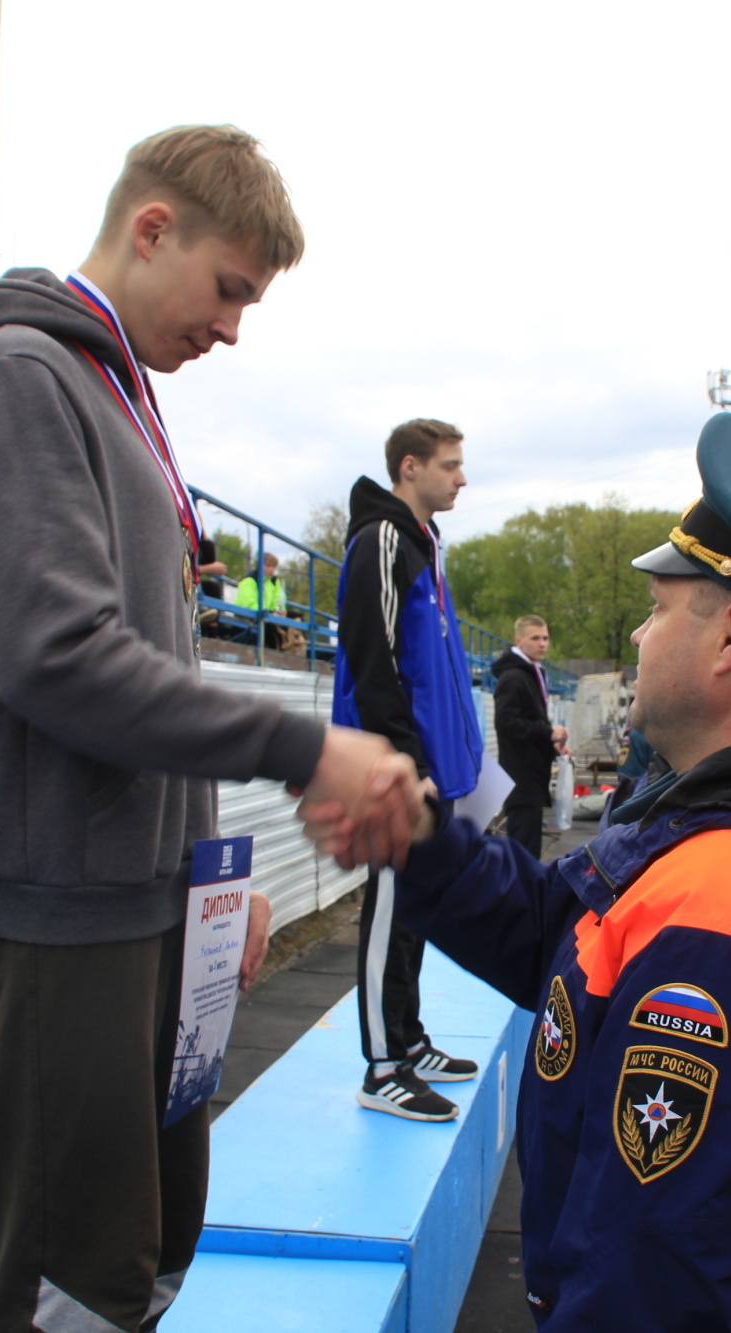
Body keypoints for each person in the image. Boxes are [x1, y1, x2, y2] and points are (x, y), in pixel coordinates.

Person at [0, 125, 421, 1333]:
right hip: (61, 911)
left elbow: (151, 659)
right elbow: (62, 660)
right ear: (151, 230)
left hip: (148, 906)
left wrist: (209, 879)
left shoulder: (112, 387)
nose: (232, 327)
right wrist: (304, 748)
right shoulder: (18, 378)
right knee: (73, 1282)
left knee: (149, 1257)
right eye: (228, 288)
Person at [376, 413, 731, 1328]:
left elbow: (658, 1289)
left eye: (658, 609)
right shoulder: (714, 817)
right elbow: (551, 927)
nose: (637, 636)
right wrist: (410, 831)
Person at [332, 417, 485, 1120]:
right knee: (389, 905)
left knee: (417, 907)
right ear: (409, 467)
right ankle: (381, 1065)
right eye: (449, 465)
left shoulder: (424, 544)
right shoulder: (381, 540)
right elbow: (375, 661)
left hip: (431, 770)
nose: (461, 478)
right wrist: (406, 761)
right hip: (398, 771)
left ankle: (410, 1037)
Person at [492, 614, 568, 858]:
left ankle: (525, 892)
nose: (542, 643)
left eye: (545, 638)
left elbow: (526, 722)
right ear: (519, 640)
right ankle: (521, 895)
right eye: (535, 638)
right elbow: (506, 724)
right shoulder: (513, 677)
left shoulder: (532, 672)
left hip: (532, 775)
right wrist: (548, 732)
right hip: (521, 777)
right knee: (523, 850)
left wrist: (551, 744)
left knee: (529, 848)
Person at [236, 553, 304, 654]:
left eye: (274, 567)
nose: (272, 570)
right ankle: (275, 652)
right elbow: (249, 604)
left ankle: (296, 648)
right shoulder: (249, 581)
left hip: (268, 612)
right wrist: (271, 614)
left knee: (297, 616)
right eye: (268, 566)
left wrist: (281, 610)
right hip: (249, 614)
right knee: (269, 623)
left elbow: (279, 597)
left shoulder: (274, 581)